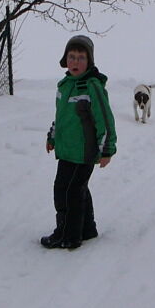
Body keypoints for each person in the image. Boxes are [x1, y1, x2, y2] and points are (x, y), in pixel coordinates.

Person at [42, 34, 116, 250]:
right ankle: (87, 229)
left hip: (84, 151)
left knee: (68, 191)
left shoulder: (91, 86)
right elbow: (61, 117)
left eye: (81, 57)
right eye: (71, 57)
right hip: (66, 150)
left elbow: (105, 119)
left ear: (89, 61)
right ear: (65, 60)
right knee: (76, 188)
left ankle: (68, 235)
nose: (75, 62)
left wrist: (107, 149)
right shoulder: (65, 85)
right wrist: (52, 136)